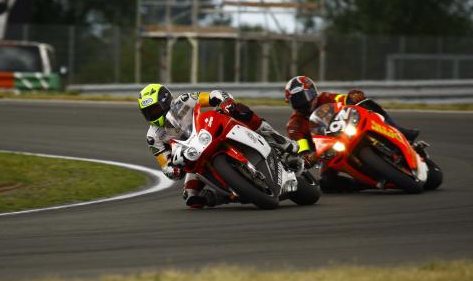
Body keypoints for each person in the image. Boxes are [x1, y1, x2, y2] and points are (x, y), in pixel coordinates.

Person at [139, 83, 301, 208]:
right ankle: (225, 196)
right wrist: (175, 167)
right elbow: (165, 166)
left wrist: (225, 102)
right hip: (193, 156)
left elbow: (213, 95)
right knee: (191, 197)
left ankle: (280, 140)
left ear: (166, 101)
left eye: (154, 110)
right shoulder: (153, 137)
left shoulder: (184, 100)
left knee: (239, 110)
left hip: (207, 132)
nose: (152, 115)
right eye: (148, 113)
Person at [283, 75, 420, 192]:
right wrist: (309, 157)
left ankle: (400, 131)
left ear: (313, 92)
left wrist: (353, 97)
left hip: (347, 131)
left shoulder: (325, 97)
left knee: (366, 103)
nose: (302, 102)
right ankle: (363, 184)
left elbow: (343, 100)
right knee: (326, 183)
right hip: (327, 152)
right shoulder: (294, 125)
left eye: (304, 97)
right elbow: (302, 148)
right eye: (296, 100)